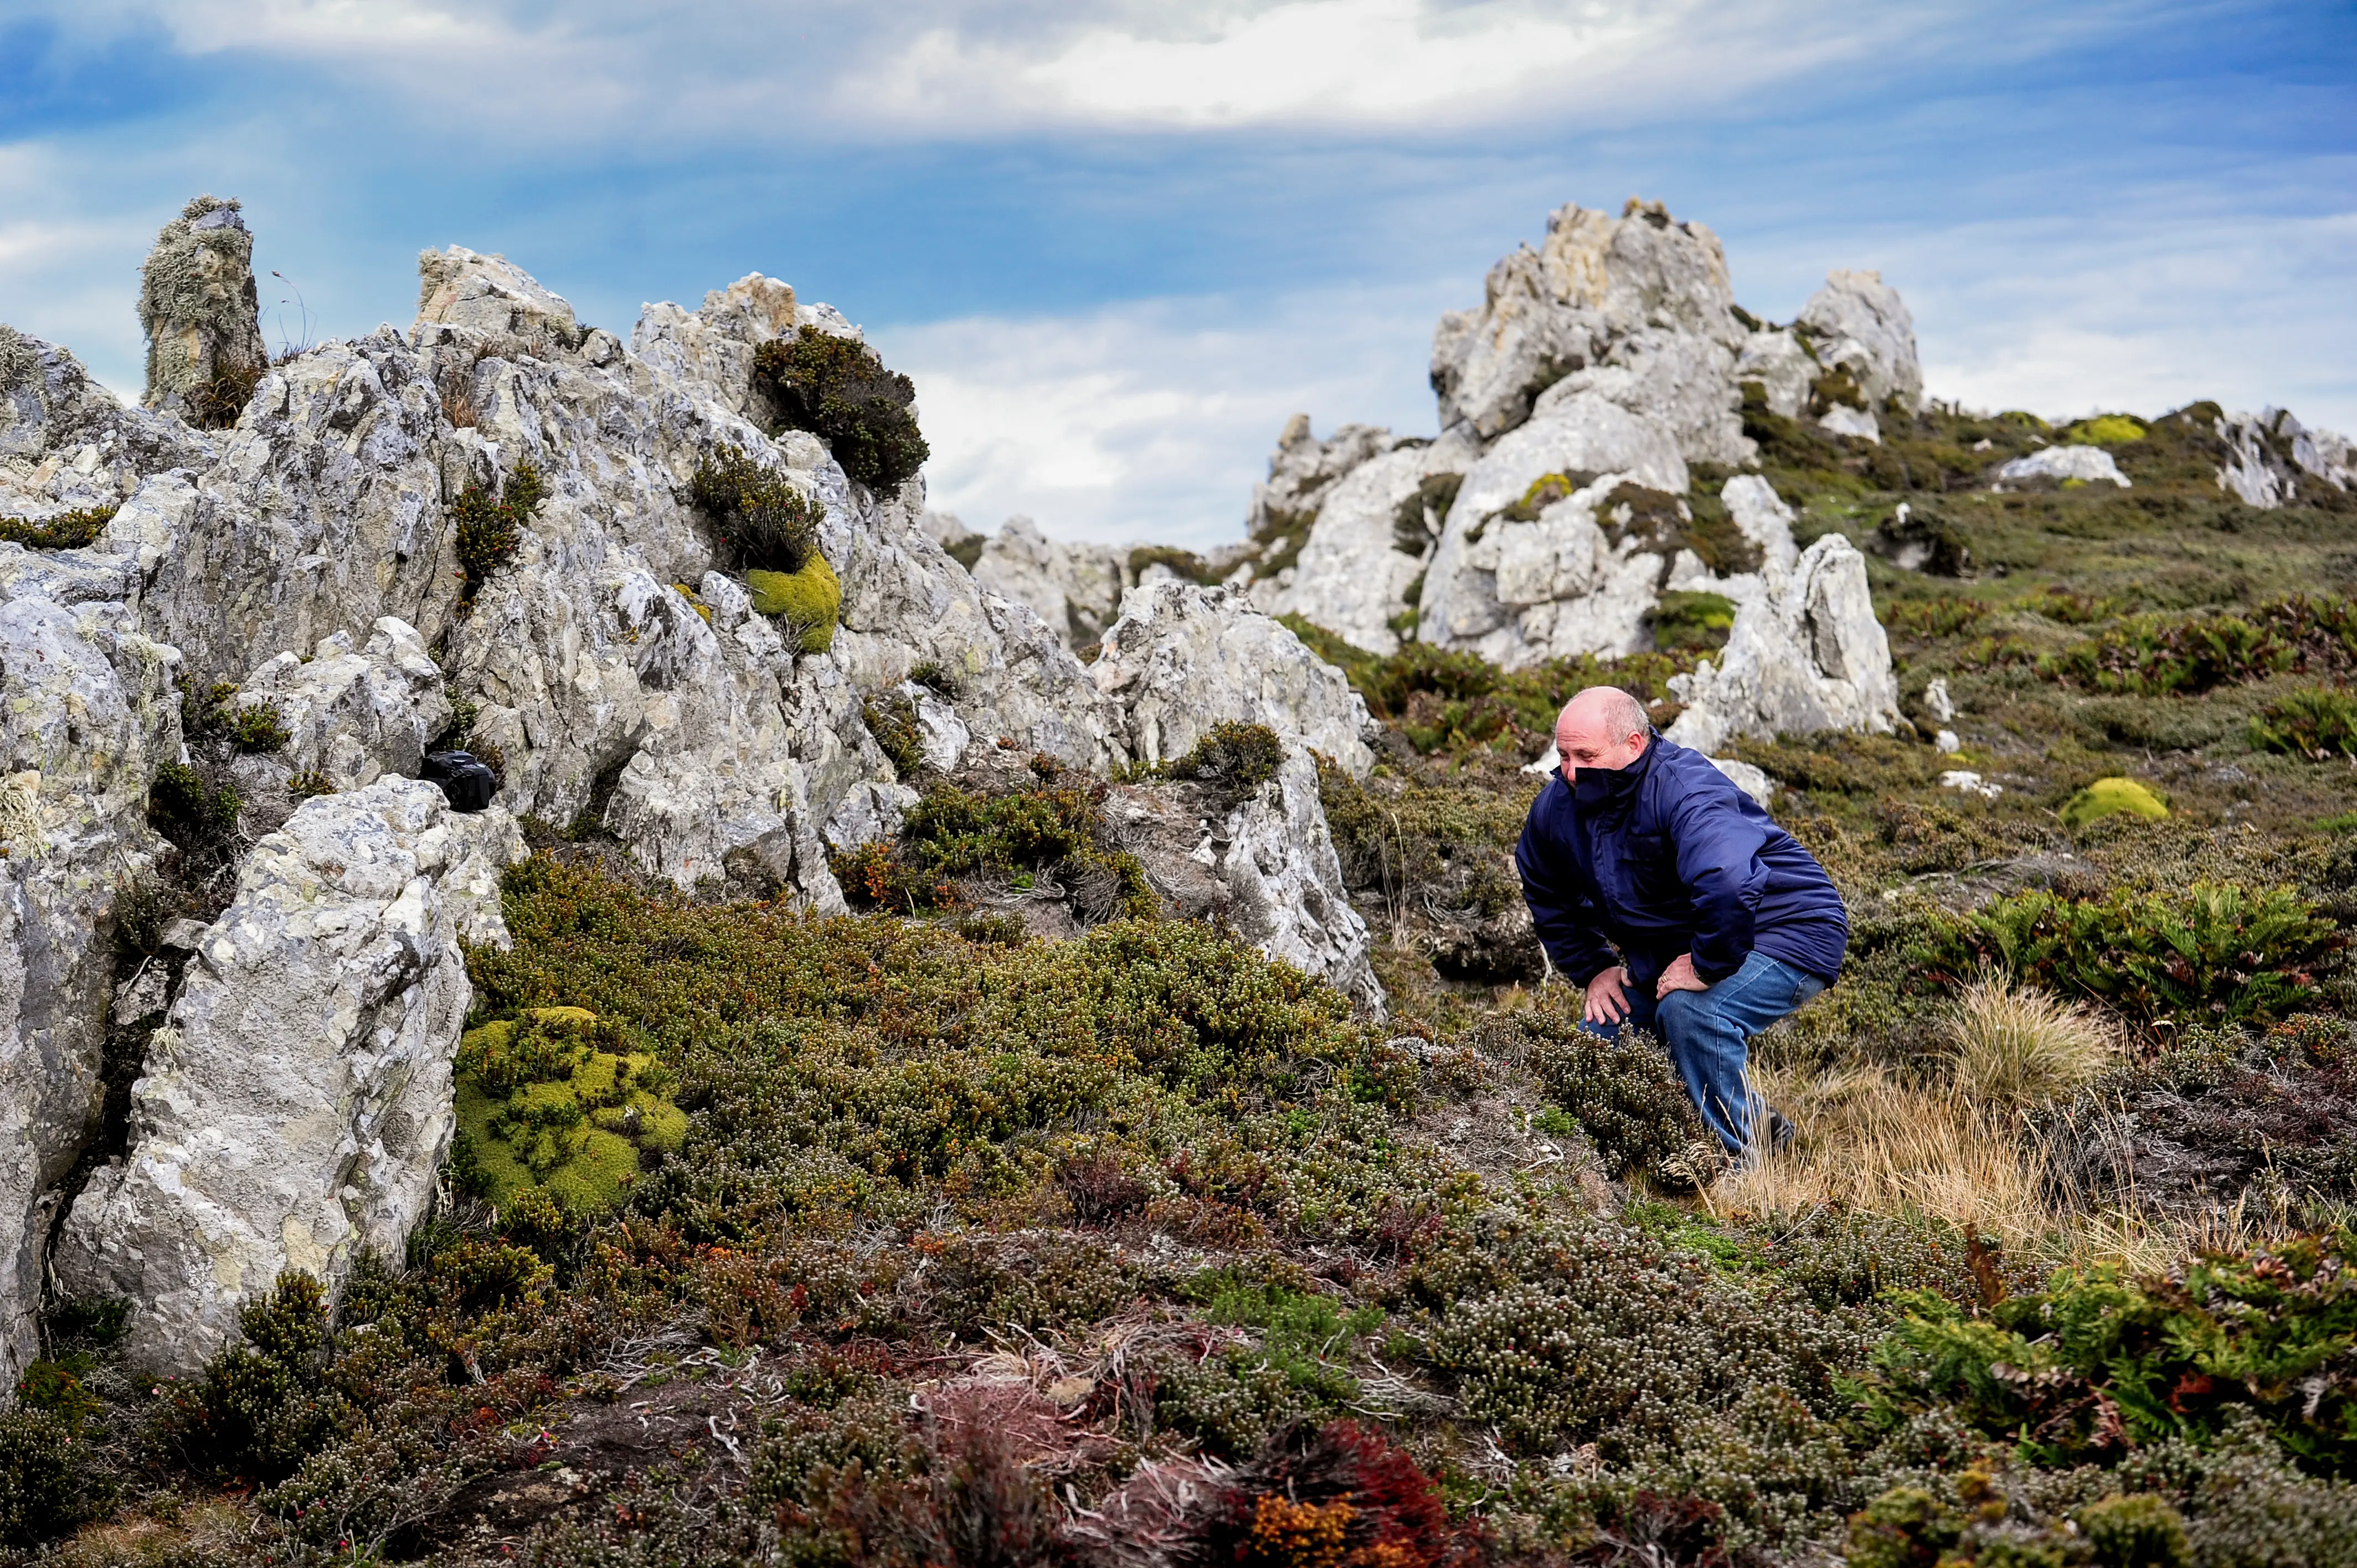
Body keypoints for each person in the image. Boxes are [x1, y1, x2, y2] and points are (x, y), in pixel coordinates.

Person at [1515, 685, 1847, 1164]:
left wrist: (1707, 967)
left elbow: (1728, 882)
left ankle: (1737, 1163)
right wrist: (1593, 968)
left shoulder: (1685, 787)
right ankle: (1760, 1123)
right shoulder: (1557, 806)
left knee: (1692, 1011)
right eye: (1563, 754)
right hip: (1687, 943)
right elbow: (1545, 888)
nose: (1569, 771)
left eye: (1585, 755)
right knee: (1599, 1042)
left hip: (1788, 928)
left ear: (1633, 744)